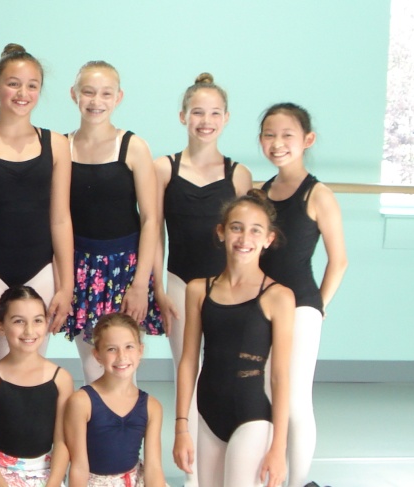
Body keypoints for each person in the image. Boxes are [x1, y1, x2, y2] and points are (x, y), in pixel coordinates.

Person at [153, 72, 252, 487]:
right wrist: (156, 287)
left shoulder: (238, 173)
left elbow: (246, 240)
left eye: (214, 113)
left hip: (227, 289)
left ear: (226, 119)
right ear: (182, 116)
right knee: (187, 372)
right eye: (197, 112)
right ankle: (192, 473)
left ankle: (229, 457)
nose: (205, 120)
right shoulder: (164, 167)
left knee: (224, 373)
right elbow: (152, 231)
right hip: (179, 283)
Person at [0, 43, 74, 370]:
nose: (23, 93)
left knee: (32, 370)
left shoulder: (58, 145)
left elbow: (61, 219)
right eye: (13, 84)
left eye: (32, 86)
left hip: (41, 271)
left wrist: (67, 284)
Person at [173, 190, 295, 487]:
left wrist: (278, 448)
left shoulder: (279, 296)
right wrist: (181, 428)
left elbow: (279, 376)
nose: (244, 238)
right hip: (208, 414)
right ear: (221, 232)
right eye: (236, 227)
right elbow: (189, 361)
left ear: (268, 239)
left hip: (251, 415)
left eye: (255, 230)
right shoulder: (199, 290)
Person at [257, 103, 348, 487]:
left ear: (307, 140)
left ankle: (299, 483)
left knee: (294, 400)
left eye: (287, 136)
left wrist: (319, 305)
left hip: (301, 309)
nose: (277, 144)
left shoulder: (318, 194)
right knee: (265, 394)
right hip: (262, 307)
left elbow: (339, 260)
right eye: (269, 135)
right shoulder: (260, 192)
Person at [62, 61, 163, 383]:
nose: (96, 101)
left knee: (122, 365)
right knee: (92, 366)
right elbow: (57, 218)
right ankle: (93, 430)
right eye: (88, 92)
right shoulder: (61, 146)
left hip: (125, 268)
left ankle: (125, 431)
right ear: (74, 94)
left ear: (118, 97)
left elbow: (150, 219)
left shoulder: (133, 147)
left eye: (106, 93)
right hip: (79, 266)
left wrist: (140, 284)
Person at [0, 286, 74, 487]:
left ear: (46, 323)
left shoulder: (61, 378)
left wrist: (53, 483)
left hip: (46, 474)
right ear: (0, 326)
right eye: (19, 321)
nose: (29, 331)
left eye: (37, 320)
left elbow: (62, 442)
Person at [64, 312, 164, 487]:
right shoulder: (81, 402)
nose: (121, 356)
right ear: (97, 355)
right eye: (111, 349)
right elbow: (78, 467)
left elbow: (154, 468)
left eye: (129, 347)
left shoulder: (152, 406)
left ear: (140, 350)